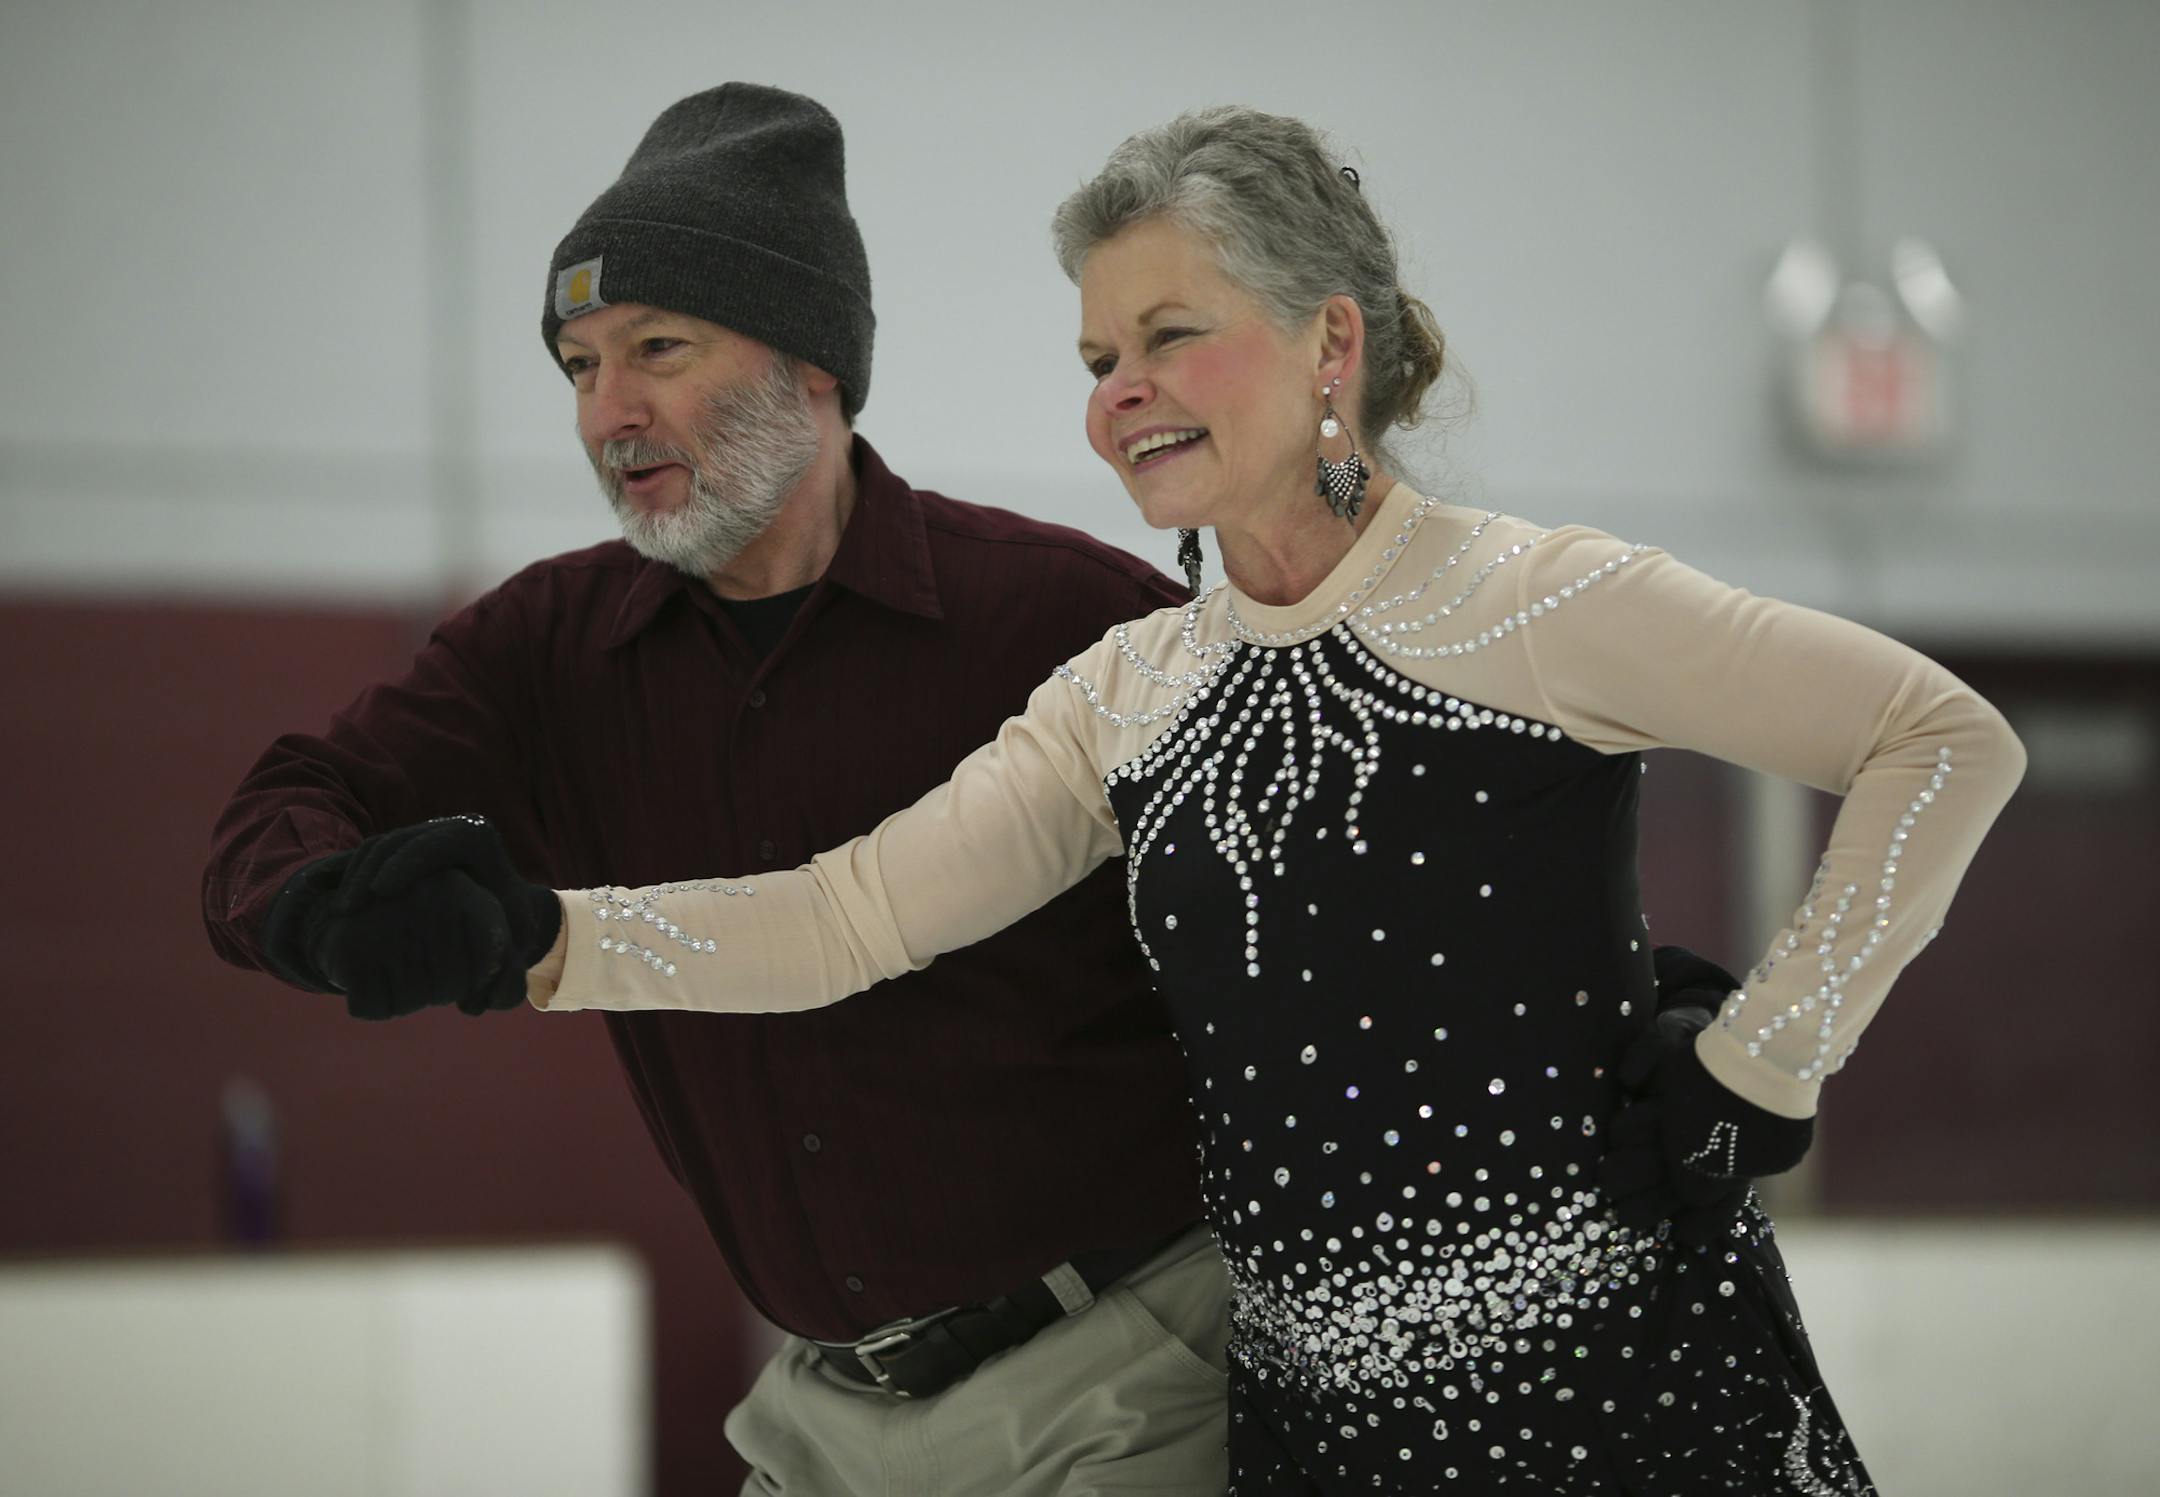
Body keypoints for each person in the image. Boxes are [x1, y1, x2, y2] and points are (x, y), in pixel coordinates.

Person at [205, 93, 1844, 1497]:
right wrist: (334, 907)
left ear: (813, 371)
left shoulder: (1062, 621)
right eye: (576, 363)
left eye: (656, 350)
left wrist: (1595, 1006)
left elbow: (1353, 828)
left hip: (1118, 1366)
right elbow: (299, 795)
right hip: (822, 1409)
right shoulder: (549, 651)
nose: (604, 410)